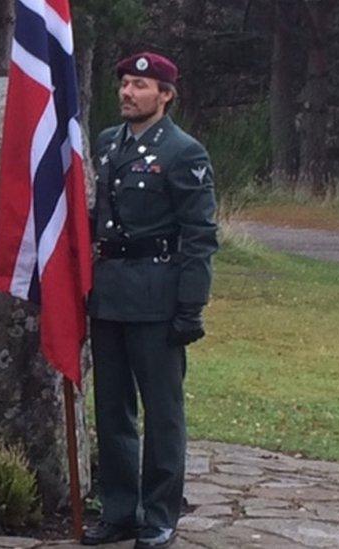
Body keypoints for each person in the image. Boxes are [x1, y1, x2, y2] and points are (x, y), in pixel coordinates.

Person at [82, 52, 218, 548]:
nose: (127, 92)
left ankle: (159, 514)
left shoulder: (184, 152)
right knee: (112, 411)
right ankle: (120, 510)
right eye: (124, 83)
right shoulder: (107, 144)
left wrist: (191, 306)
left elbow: (199, 235)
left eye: (140, 85)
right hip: (110, 292)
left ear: (165, 95)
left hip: (158, 298)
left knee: (163, 414)